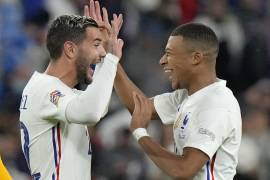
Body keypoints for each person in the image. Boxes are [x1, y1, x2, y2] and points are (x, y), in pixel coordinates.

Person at [114, 23, 242, 179]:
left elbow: (183, 170)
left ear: (196, 58)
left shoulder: (216, 105)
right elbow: (141, 108)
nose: (162, 61)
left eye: (169, 54)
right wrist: (112, 62)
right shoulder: (187, 95)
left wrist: (141, 134)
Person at [19, 7, 124, 180]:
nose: (102, 53)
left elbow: (97, 104)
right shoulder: (45, 89)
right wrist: (111, 59)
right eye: (96, 45)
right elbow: (92, 111)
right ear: (70, 49)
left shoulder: (55, 90)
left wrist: (104, 57)